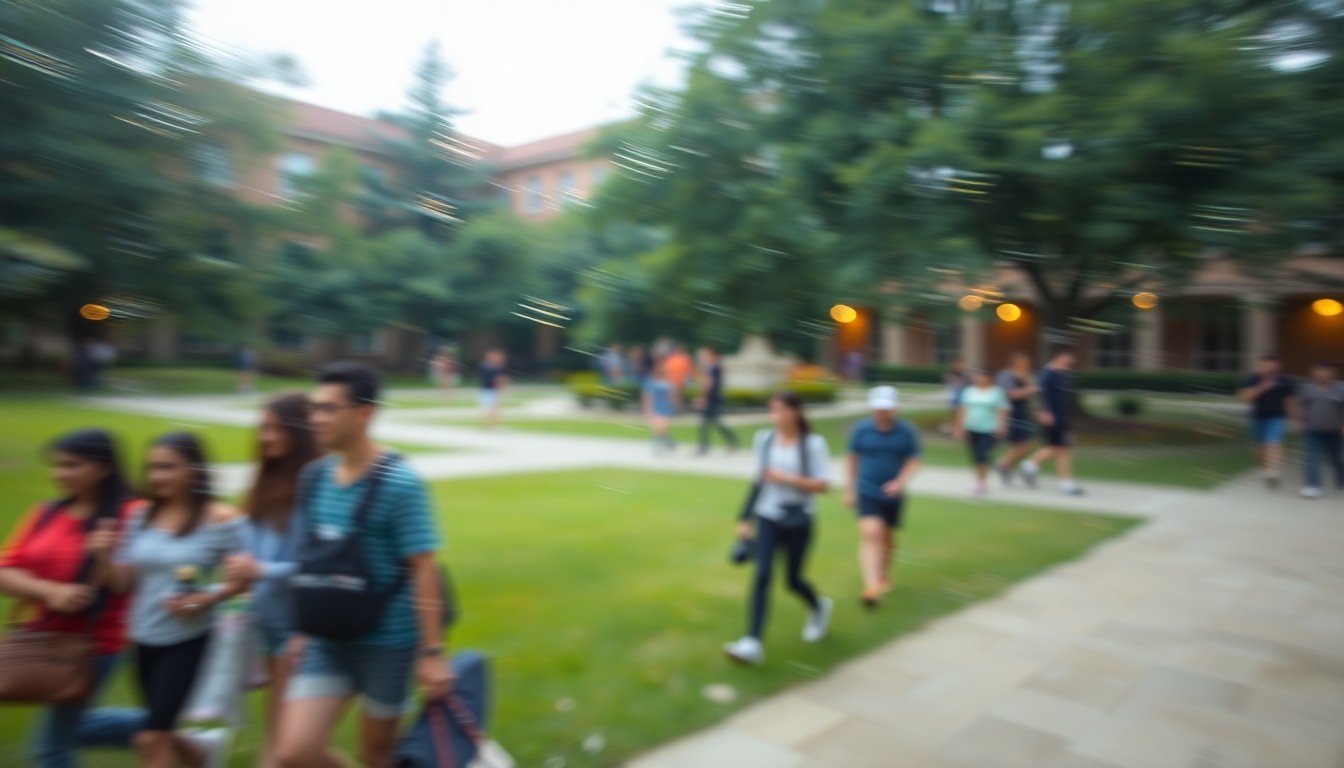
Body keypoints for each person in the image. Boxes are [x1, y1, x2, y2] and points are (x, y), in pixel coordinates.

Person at [274, 362, 449, 768]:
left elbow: (425, 569)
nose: (316, 418)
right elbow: (314, 557)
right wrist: (304, 629)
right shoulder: (314, 477)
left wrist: (433, 653)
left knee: (376, 754)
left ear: (364, 414)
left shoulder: (401, 484)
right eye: (314, 408)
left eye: (328, 409)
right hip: (328, 641)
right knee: (294, 752)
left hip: (388, 642)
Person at [0, 430, 146, 768]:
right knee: (75, 727)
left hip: (95, 644)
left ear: (104, 467)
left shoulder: (132, 514)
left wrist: (104, 557)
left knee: (51, 748)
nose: (59, 474)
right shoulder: (47, 512)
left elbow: (129, 581)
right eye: (57, 465)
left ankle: (164, 731)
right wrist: (49, 592)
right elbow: (5, 570)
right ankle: (165, 732)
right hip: (44, 638)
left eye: (72, 465)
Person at [107, 432, 247, 768]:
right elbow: (123, 582)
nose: (157, 476)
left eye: (168, 467)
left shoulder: (222, 519)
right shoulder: (141, 515)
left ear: (194, 470)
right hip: (142, 637)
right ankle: (202, 753)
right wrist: (101, 556)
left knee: (150, 738)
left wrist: (204, 599)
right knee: (163, 733)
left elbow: (243, 581)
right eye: (153, 467)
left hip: (188, 640)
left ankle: (198, 752)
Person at [222, 393, 321, 767]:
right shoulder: (265, 481)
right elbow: (250, 549)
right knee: (283, 739)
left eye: (277, 428)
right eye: (264, 427)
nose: (267, 436)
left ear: (299, 430)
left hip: (300, 629)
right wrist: (237, 569)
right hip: (265, 623)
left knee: (284, 748)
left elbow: (316, 566)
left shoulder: (313, 487)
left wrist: (260, 570)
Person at [724, 392, 833, 666]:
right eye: (773, 410)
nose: (777, 416)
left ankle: (818, 607)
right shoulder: (764, 439)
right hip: (768, 515)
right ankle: (752, 642)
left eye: (782, 410)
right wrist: (745, 518)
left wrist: (786, 478)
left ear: (796, 412)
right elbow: (759, 480)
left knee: (793, 581)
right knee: (762, 575)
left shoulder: (813, 444)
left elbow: (823, 485)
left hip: (799, 518)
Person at [845, 386, 922, 608]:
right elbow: (852, 459)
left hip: (892, 493)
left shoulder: (906, 431)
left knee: (887, 537)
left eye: (887, 409)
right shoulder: (861, 430)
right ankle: (871, 588)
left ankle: (882, 575)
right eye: (879, 409)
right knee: (871, 533)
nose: (883, 413)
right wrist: (849, 489)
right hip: (867, 490)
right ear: (872, 408)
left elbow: (914, 460)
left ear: (895, 408)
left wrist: (900, 482)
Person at [1019, 346, 1084, 496]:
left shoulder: (1063, 374)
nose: (1071, 361)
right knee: (1062, 448)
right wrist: (1044, 411)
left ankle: (1029, 466)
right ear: (1059, 357)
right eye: (1068, 357)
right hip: (1051, 418)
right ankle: (1066, 484)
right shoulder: (1047, 373)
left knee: (1058, 448)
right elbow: (1040, 393)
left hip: (1062, 418)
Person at [1237, 354, 1297, 489]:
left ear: (1277, 366)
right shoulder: (1254, 379)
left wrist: (1293, 418)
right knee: (1259, 448)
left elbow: (1289, 400)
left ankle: (1273, 473)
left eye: (1272, 364)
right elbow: (1244, 397)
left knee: (1273, 444)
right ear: (1261, 365)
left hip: (1277, 418)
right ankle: (1263, 467)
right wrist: (1261, 388)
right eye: (1266, 364)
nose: (1268, 367)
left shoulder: (1285, 381)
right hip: (1258, 417)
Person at [1294, 359, 1344, 499]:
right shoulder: (1307, 389)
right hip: (1313, 430)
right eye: (1317, 370)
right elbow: (1300, 405)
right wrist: (1299, 420)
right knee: (1312, 457)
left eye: (1324, 370)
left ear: (1332, 373)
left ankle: (1341, 477)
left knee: (1336, 459)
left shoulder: (1340, 388)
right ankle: (1313, 486)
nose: (1320, 373)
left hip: (1335, 431)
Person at [955, 369, 1010, 495]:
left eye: (983, 376)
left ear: (989, 377)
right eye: (978, 376)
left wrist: (1001, 425)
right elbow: (963, 409)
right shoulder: (969, 391)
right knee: (975, 455)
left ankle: (982, 481)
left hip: (989, 428)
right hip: (972, 427)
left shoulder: (996, 392)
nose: (980, 378)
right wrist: (959, 427)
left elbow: (1002, 409)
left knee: (983, 454)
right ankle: (978, 479)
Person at [994, 353, 1040, 485]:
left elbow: (1031, 395)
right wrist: (1029, 390)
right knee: (1023, 444)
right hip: (1011, 412)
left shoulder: (1028, 376)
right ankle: (1003, 464)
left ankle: (1005, 465)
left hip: (1023, 412)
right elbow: (1011, 394)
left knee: (1026, 445)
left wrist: (1030, 389)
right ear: (1015, 362)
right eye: (1023, 362)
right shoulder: (1006, 375)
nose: (1026, 365)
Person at [696, 347, 738, 455]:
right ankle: (705, 446)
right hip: (713, 398)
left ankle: (705, 447)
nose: (703, 358)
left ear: (712, 355)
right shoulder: (714, 367)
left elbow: (709, 384)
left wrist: (703, 397)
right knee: (708, 422)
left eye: (705, 355)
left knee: (711, 422)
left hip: (712, 399)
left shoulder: (714, 368)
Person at [643, 359, 679, 455]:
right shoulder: (651, 382)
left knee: (660, 428)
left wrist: (674, 407)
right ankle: (669, 443)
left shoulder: (668, 383)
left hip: (666, 408)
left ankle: (658, 447)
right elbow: (648, 397)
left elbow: (672, 396)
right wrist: (647, 409)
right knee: (657, 429)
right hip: (655, 407)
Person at [478, 349, 509, 430]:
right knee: (491, 409)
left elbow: (502, 378)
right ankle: (490, 426)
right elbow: (498, 379)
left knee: (495, 409)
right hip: (487, 390)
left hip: (492, 391)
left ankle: (494, 426)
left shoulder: (496, 367)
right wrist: (502, 387)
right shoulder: (488, 366)